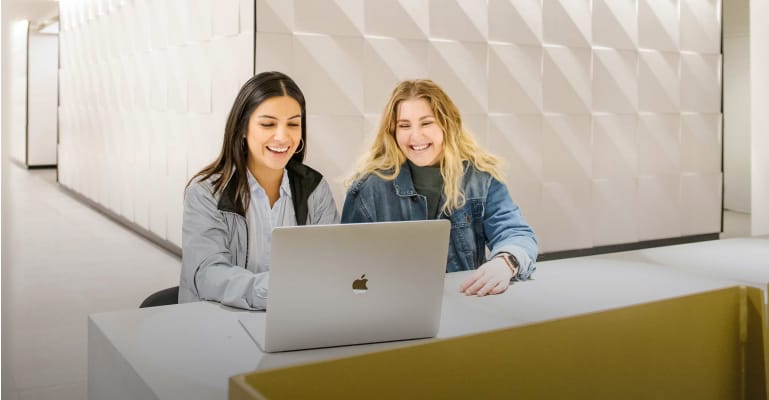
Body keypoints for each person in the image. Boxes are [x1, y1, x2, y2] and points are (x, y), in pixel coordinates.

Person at [341, 79, 537, 297]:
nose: (415, 136)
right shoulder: (368, 188)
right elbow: (349, 269)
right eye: (404, 125)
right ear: (393, 132)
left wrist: (505, 263)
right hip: (392, 312)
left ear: (447, 124)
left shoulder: (480, 178)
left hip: (466, 304)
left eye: (426, 123)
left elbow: (516, 233)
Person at [179, 71, 338, 309]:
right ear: (243, 128)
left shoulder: (315, 189)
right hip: (217, 328)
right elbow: (208, 275)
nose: (283, 136)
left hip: (294, 319)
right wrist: (277, 290)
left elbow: (332, 263)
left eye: (293, 124)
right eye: (268, 124)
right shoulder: (205, 194)